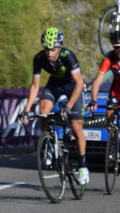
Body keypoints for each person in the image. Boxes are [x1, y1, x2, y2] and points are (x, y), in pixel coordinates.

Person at [21, 27, 89, 184]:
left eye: (53, 49)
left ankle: (82, 166)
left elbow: (79, 83)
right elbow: (35, 86)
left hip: (73, 86)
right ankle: (49, 144)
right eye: (46, 49)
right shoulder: (39, 58)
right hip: (55, 84)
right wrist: (26, 109)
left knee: (76, 126)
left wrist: (69, 106)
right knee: (43, 111)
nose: (49, 53)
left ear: (59, 47)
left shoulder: (68, 56)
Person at [87, 30, 120, 122]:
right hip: (116, 93)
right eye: (116, 47)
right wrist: (94, 101)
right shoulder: (109, 58)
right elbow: (97, 81)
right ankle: (112, 135)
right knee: (109, 120)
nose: (119, 50)